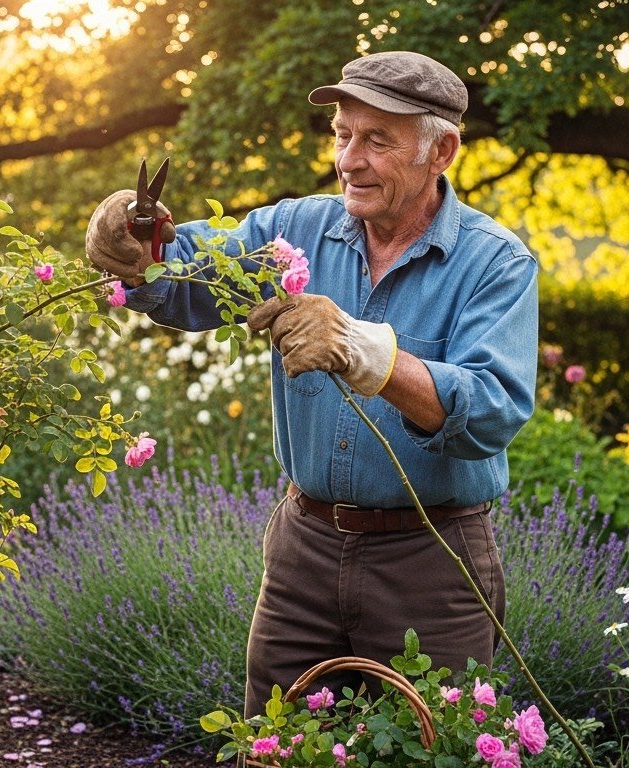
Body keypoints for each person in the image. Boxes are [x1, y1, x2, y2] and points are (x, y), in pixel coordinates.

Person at [84, 50, 538, 716]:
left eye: (377, 141)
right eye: (342, 135)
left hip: (432, 561)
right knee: (279, 747)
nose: (348, 160)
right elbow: (183, 275)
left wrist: (364, 350)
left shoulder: (493, 262)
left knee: (433, 747)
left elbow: (493, 410)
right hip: (306, 549)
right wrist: (135, 243)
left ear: (440, 151)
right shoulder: (292, 230)